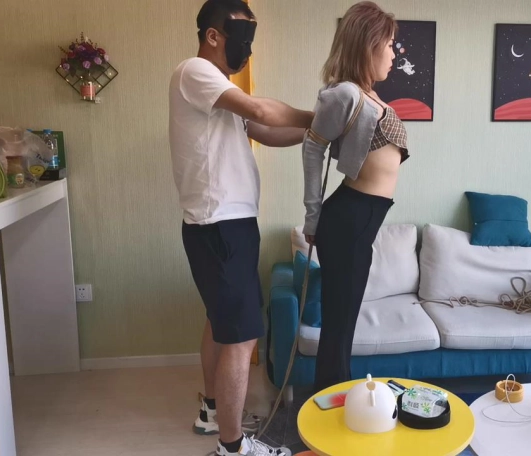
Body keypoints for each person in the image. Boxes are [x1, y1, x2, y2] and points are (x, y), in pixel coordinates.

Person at [169, 1, 312, 455]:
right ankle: (232, 448)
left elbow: (265, 131)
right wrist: (320, 117)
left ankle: (213, 412)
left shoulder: (219, 91)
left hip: (225, 224)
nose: (247, 48)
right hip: (220, 225)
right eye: (242, 35)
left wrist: (317, 134)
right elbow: (262, 111)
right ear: (213, 35)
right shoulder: (195, 71)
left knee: (221, 322)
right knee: (241, 334)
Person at [301, 1, 409, 391]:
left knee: (344, 326)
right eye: (390, 45)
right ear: (368, 45)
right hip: (347, 219)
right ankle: (328, 408)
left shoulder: (369, 95)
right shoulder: (345, 93)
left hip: (361, 222)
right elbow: (313, 147)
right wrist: (312, 217)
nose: (394, 54)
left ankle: (337, 402)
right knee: (338, 328)